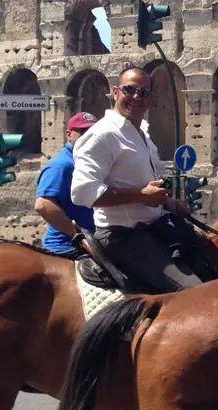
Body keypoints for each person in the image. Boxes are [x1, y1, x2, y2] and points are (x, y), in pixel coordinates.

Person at [70, 67, 208, 293]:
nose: (136, 97)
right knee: (195, 294)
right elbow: (82, 193)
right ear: (115, 92)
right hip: (123, 236)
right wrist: (140, 195)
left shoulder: (142, 134)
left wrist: (170, 203)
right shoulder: (102, 135)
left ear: (150, 99)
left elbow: (149, 187)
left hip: (155, 227)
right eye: (129, 89)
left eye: (143, 93)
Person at [34, 112, 99, 254]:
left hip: (89, 243)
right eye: (82, 131)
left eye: (93, 132)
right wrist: (76, 235)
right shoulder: (62, 165)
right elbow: (43, 205)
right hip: (67, 248)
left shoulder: (86, 161)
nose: (89, 136)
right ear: (69, 134)